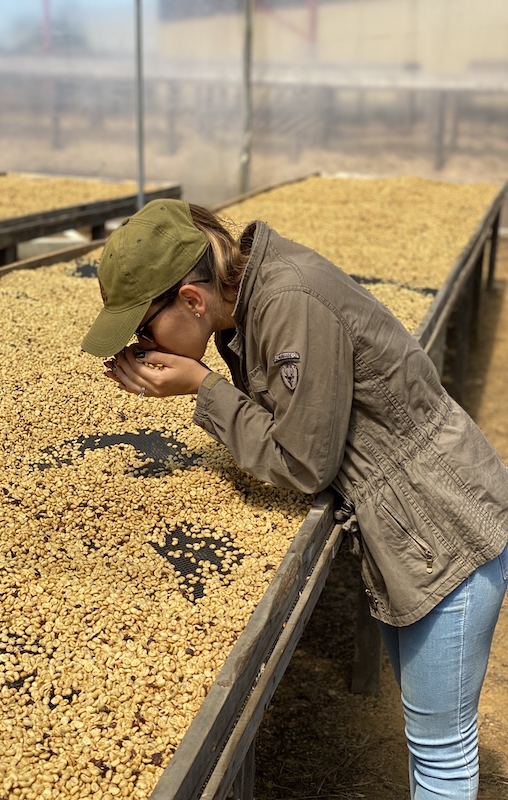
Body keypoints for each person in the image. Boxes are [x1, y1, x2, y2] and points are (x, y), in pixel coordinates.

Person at [81, 197, 508, 799]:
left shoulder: (289, 302)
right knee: (428, 736)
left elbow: (304, 461)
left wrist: (202, 387)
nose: (141, 342)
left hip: (444, 529)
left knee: (442, 754)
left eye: (143, 328)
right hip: (414, 522)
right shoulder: (253, 299)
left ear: (192, 300)